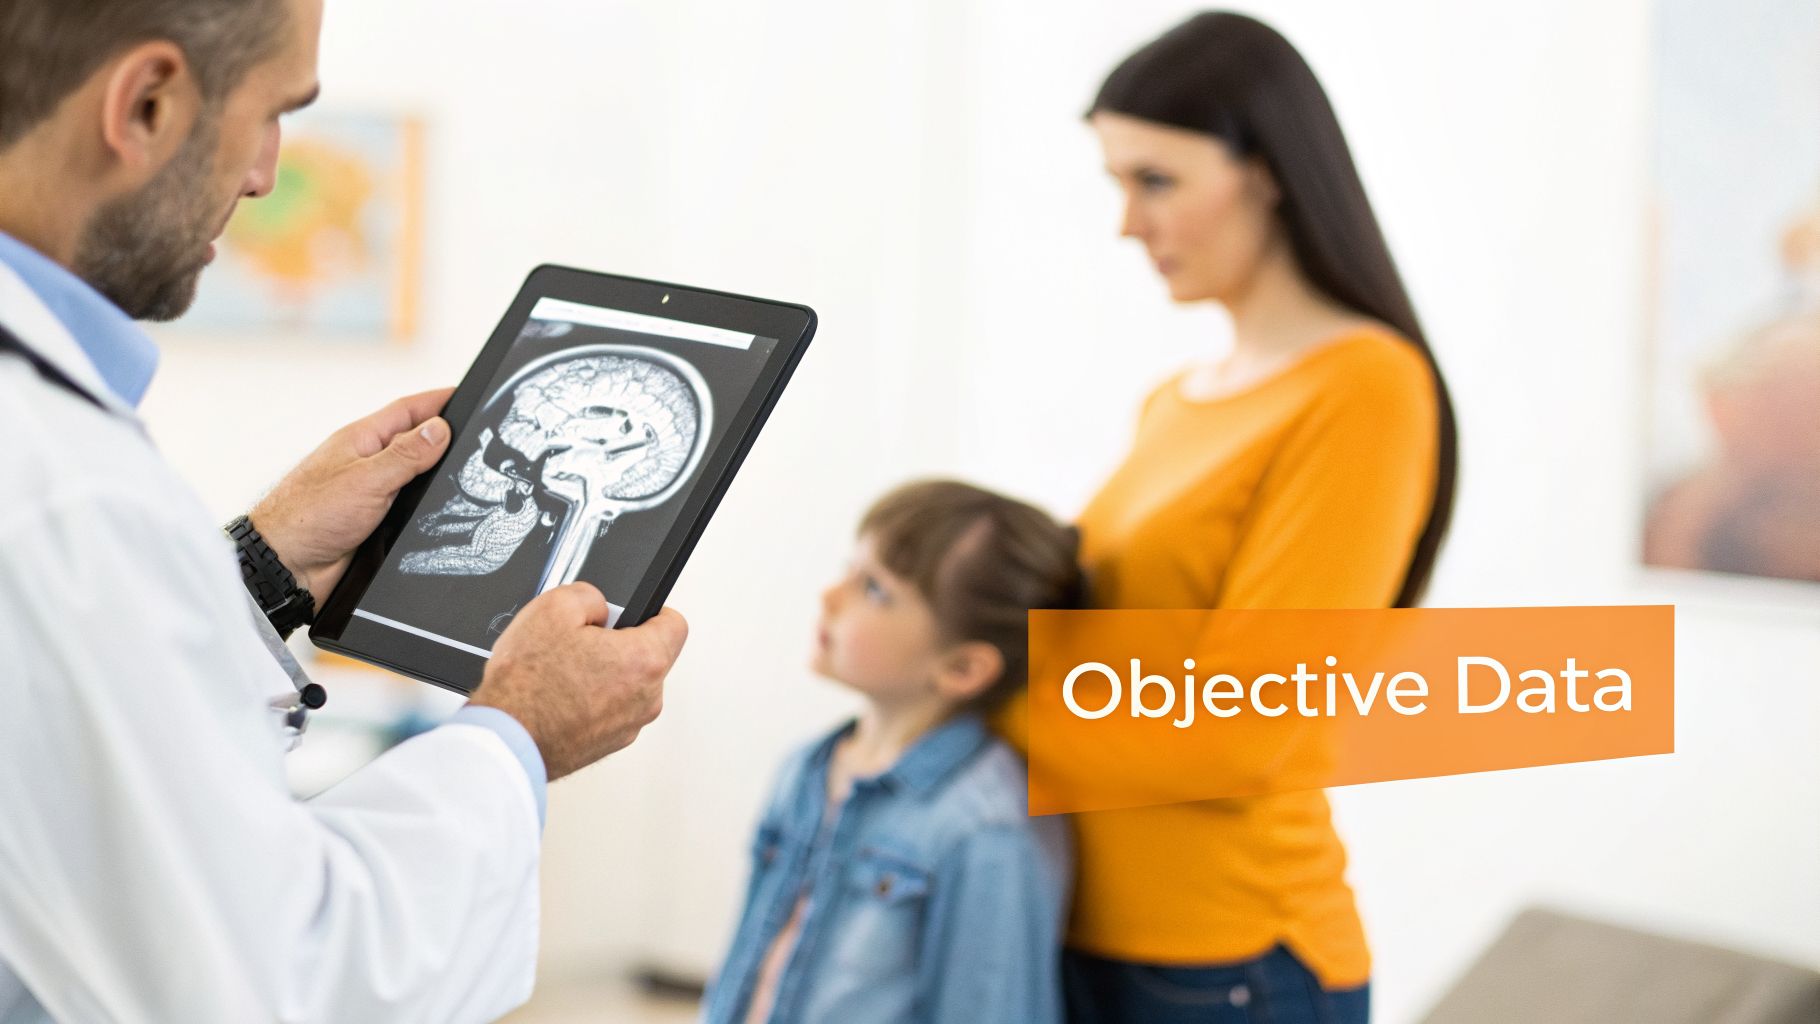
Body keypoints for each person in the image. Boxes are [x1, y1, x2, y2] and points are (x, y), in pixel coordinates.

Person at [0, 1, 687, 1020]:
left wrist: (263, 566)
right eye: (273, 113)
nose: (265, 173)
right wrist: (519, 733)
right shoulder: (67, 489)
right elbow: (287, 978)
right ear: (145, 103)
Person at [997, 13, 1458, 1024]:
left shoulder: (1365, 388)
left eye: (1154, 181)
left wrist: (978, 694)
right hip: (1077, 929)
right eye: (1116, 184)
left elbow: (1244, 731)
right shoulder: (1174, 399)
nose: (1126, 223)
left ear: (1270, 171)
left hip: (1229, 965)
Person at [702, 481, 1083, 1024]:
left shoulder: (988, 828)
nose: (831, 597)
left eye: (875, 590)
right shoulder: (807, 769)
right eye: (849, 570)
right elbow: (747, 960)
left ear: (962, 669)